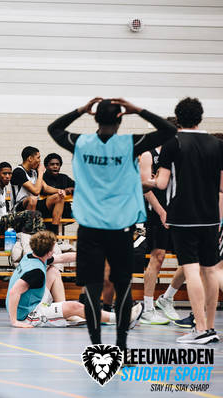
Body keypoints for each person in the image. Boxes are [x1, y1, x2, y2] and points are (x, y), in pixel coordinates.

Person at [48, 97, 177, 350]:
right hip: (120, 227)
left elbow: (54, 128)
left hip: (90, 228)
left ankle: (97, 346)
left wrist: (81, 110)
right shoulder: (130, 143)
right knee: (123, 286)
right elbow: (169, 130)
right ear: (120, 119)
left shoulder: (81, 142)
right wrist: (137, 110)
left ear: (95, 117)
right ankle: (121, 347)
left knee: (92, 289)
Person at [151, 97, 222, 344]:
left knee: (191, 270)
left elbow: (161, 183)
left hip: (183, 217)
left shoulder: (173, 143)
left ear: (178, 118)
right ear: (200, 117)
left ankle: (200, 329)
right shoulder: (217, 143)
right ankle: (210, 328)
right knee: (210, 271)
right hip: (211, 217)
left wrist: (142, 180)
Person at [7, 231, 144, 328]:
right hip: (28, 315)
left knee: (53, 271)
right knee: (75, 306)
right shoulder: (36, 272)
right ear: (48, 252)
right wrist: (15, 321)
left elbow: (62, 258)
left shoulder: (32, 256)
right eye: (53, 248)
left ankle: (64, 313)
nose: (55, 250)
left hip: (25, 304)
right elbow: (14, 292)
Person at [138, 118, 177, 325]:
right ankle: (147, 307)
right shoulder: (148, 154)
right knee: (158, 257)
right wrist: (162, 212)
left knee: (190, 260)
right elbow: (145, 187)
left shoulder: (178, 154)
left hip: (179, 211)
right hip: (156, 211)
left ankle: (167, 297)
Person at [0, 162, 45, 236]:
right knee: (31, 214)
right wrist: (11, 218)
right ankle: (36, 238)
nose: (7, 176)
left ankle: (35, 237)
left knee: (35, 216)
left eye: (9, 173)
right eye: (4, 173)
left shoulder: (3, 188)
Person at [11, 146, 66, 234]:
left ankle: (53, 233)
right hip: (20, 207)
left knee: (59, 197)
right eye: (38, 157)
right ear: (30, 158)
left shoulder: (34, 171)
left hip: (35, 203)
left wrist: (59, 190)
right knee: (32, 199)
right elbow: (36, 191)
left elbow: (46, 188)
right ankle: (31, 232)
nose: (40, 161)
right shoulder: (18, 172)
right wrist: (40, 172)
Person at [42, 153, 75, 218]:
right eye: (52, 164)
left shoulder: (64, 177)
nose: (55, 166)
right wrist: (63, 191)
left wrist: (71, 189)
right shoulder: (41, 178)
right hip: (47, 213)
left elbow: (79, 188)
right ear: (46, 166)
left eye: (57, 164)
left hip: (66, 213)